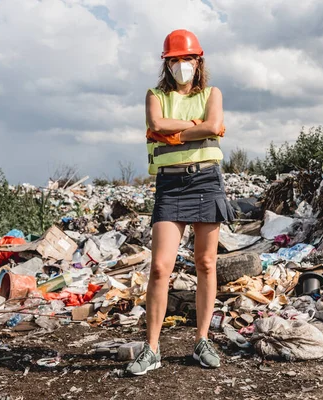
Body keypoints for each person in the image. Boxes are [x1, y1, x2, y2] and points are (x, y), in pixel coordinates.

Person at [126, 29, 235, 376]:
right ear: (166, 63)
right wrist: (197, 126)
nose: (181, 65)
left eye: (187, 58)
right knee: (160, 267)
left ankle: (202, 341)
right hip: (170, 185)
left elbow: (214, 123)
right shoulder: (155, 96)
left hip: (206, 179)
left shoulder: (212, 93)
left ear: (198, 60)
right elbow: (157, 123)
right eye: (174, 59)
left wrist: (178, 132)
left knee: (205, 264)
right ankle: (152, 348)